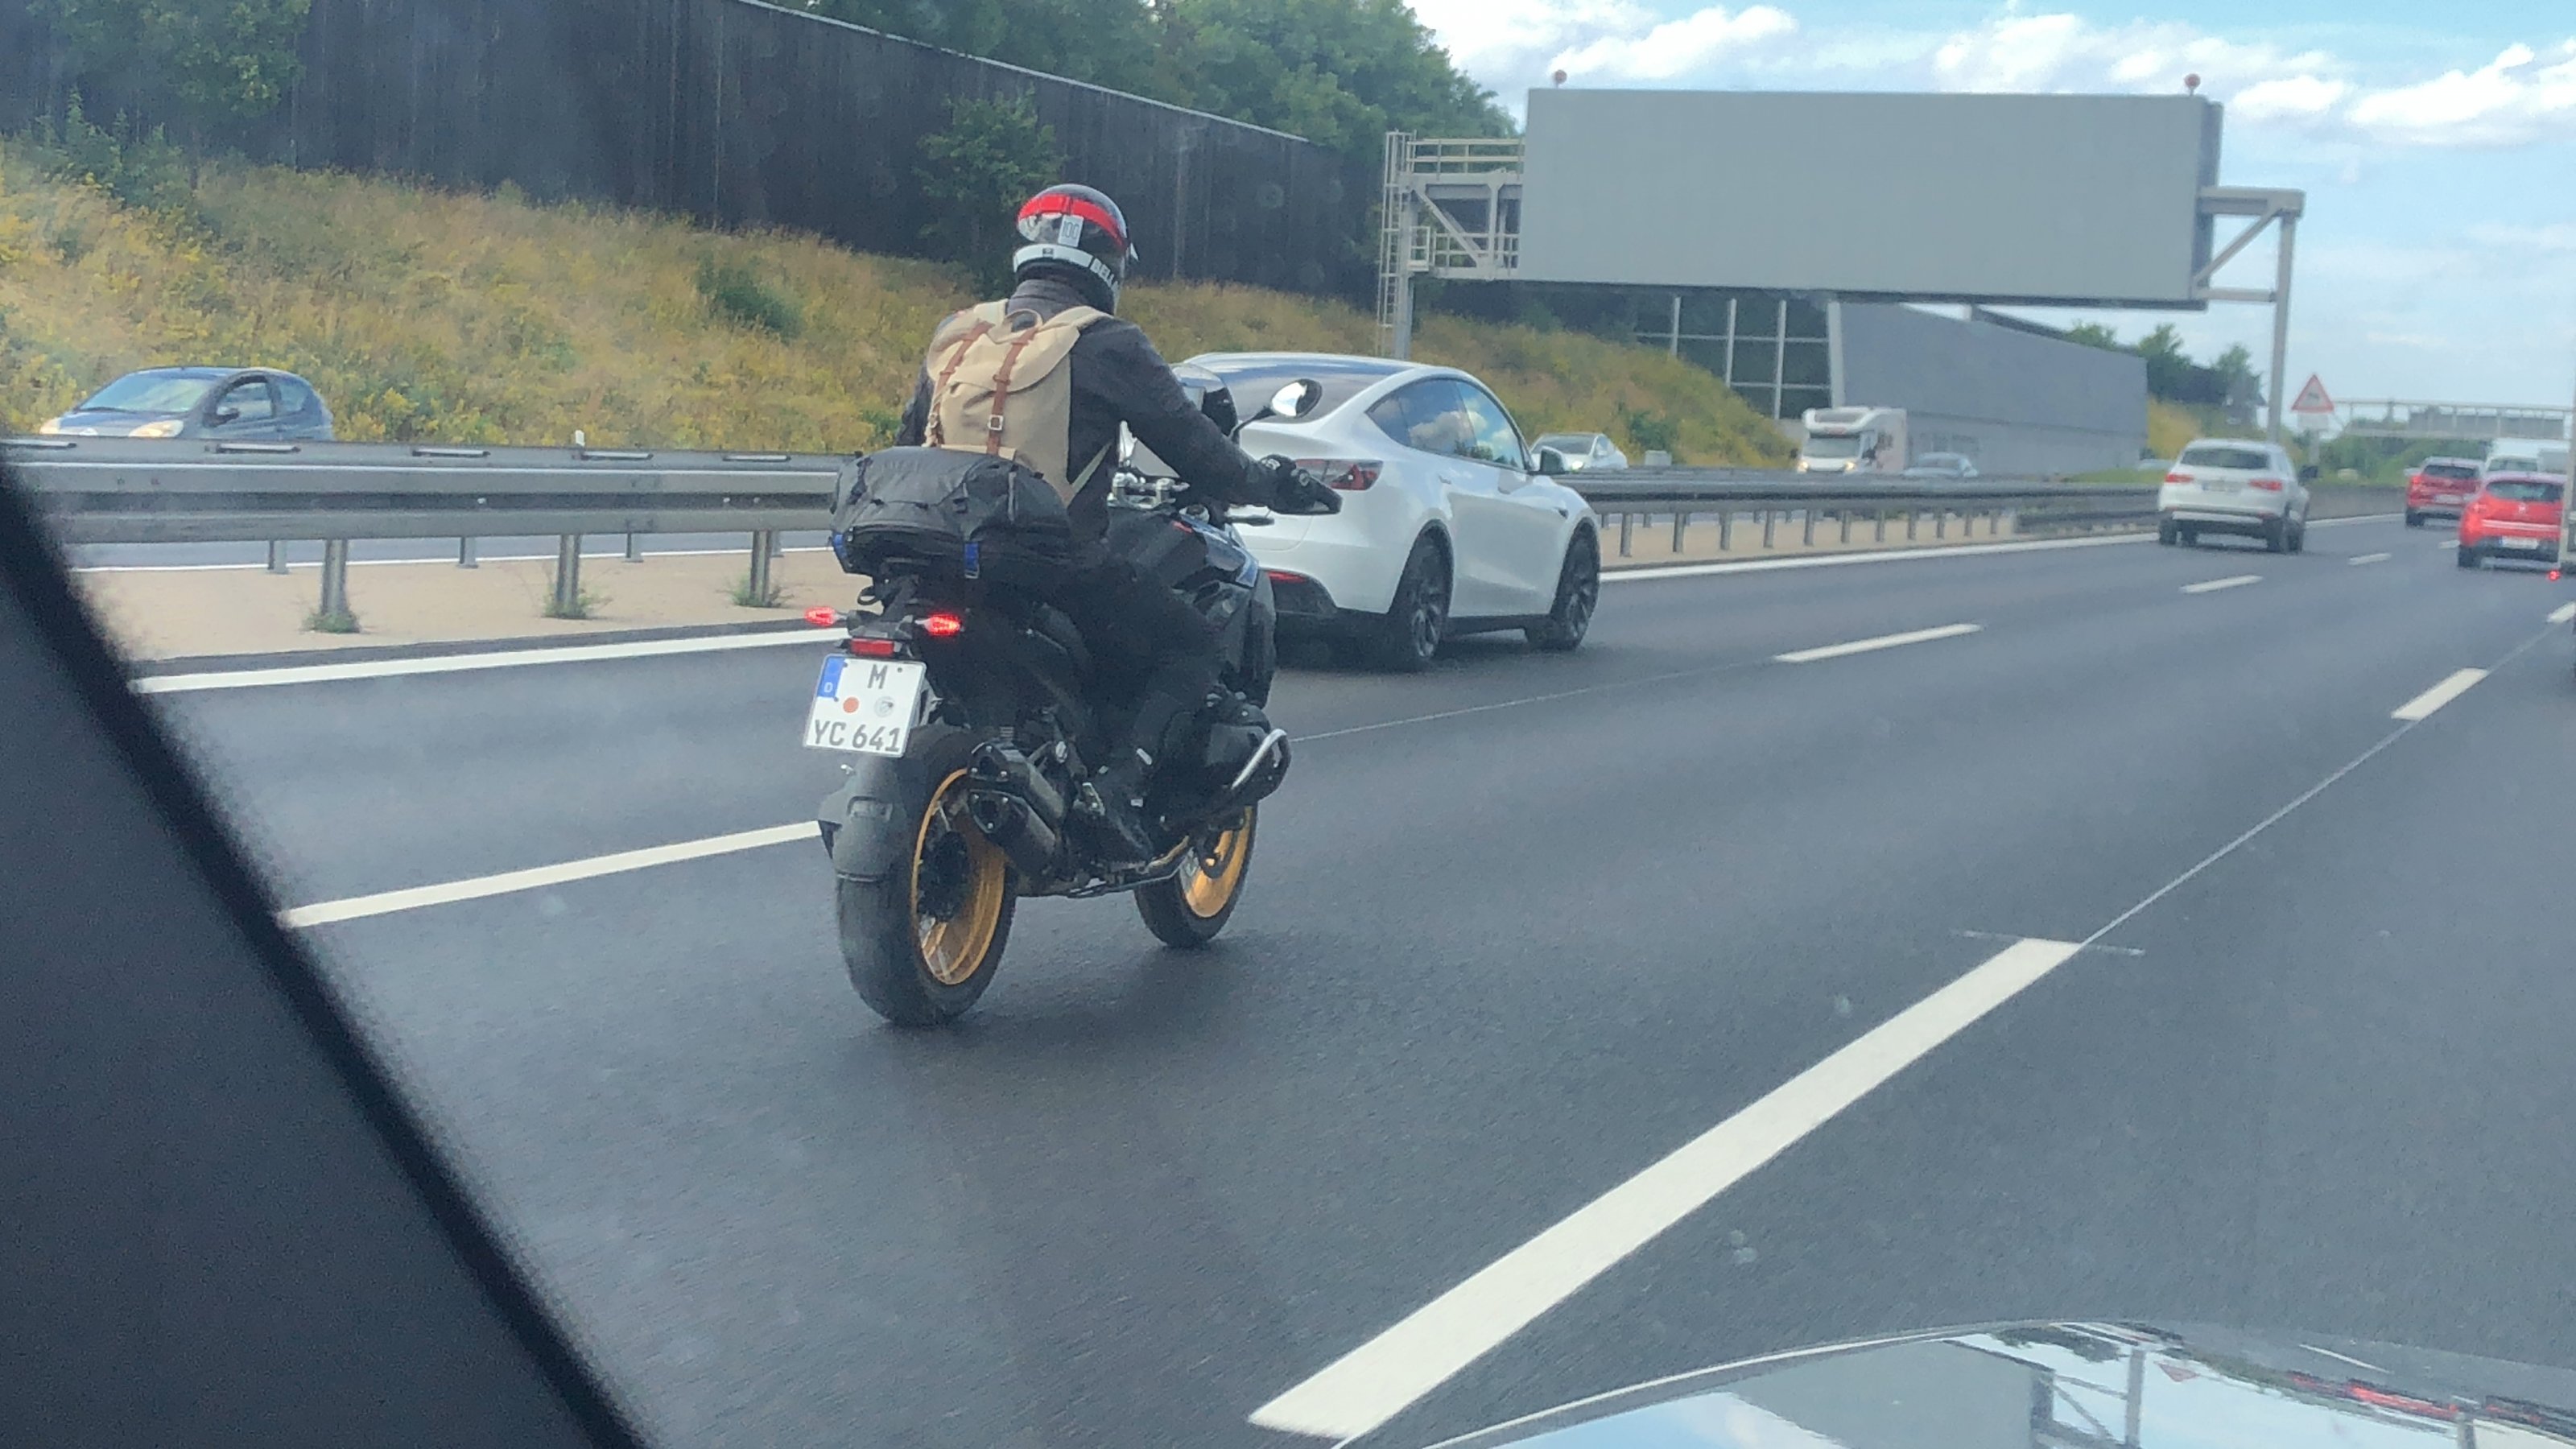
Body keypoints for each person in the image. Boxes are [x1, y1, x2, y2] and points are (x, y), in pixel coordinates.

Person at [894, 183, 1336, 865]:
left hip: (930, 552)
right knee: (1189, 646)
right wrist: (1272, 481)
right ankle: (1118, 790)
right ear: (1110, 265)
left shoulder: (960, 333)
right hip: (1044, 564)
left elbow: (908, 437)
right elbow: (1197, 448)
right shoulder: (1107, 343)